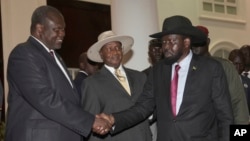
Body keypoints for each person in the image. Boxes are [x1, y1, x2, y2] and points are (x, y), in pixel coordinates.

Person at [98, 15, 233, 141]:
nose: (165, 47)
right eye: (163, 42)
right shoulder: (158, 70)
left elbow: (225, 116)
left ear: (186, 42)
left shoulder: (210, 68)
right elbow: (143, 107)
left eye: (171, 41)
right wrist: (113, 119)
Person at [5, 5, 111, 141]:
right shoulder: (24, 53)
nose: (63, 34)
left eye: (63, 29)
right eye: (57, 29)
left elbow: (68, 99)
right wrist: (89, 121)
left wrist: (90, 117)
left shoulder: (56, 57)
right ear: (39, 29)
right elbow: (44, 98)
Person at [81, 30, 152, 141]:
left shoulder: (140, 77)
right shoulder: (91, 84)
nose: (115, 51)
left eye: (118, 47)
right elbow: (93, 126)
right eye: (109, 48)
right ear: (101, 54)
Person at [192, 25, 249, 124]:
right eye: (192, 42)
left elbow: (238, 105)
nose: (194, 46)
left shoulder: (225, 67)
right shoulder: (186, 68)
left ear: (208, 41)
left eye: (198, 42)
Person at [142, 38, 163, 141]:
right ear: (149, 53)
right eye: (154, 50)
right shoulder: (142, 76)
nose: (157, 52)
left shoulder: (173, 71)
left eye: (159, 49)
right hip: (151, 120)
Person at [228, 49, 250, 119]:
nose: (238, 67)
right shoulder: (222, 81)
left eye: (241, 64)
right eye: (235, 64)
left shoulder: (248, 82)